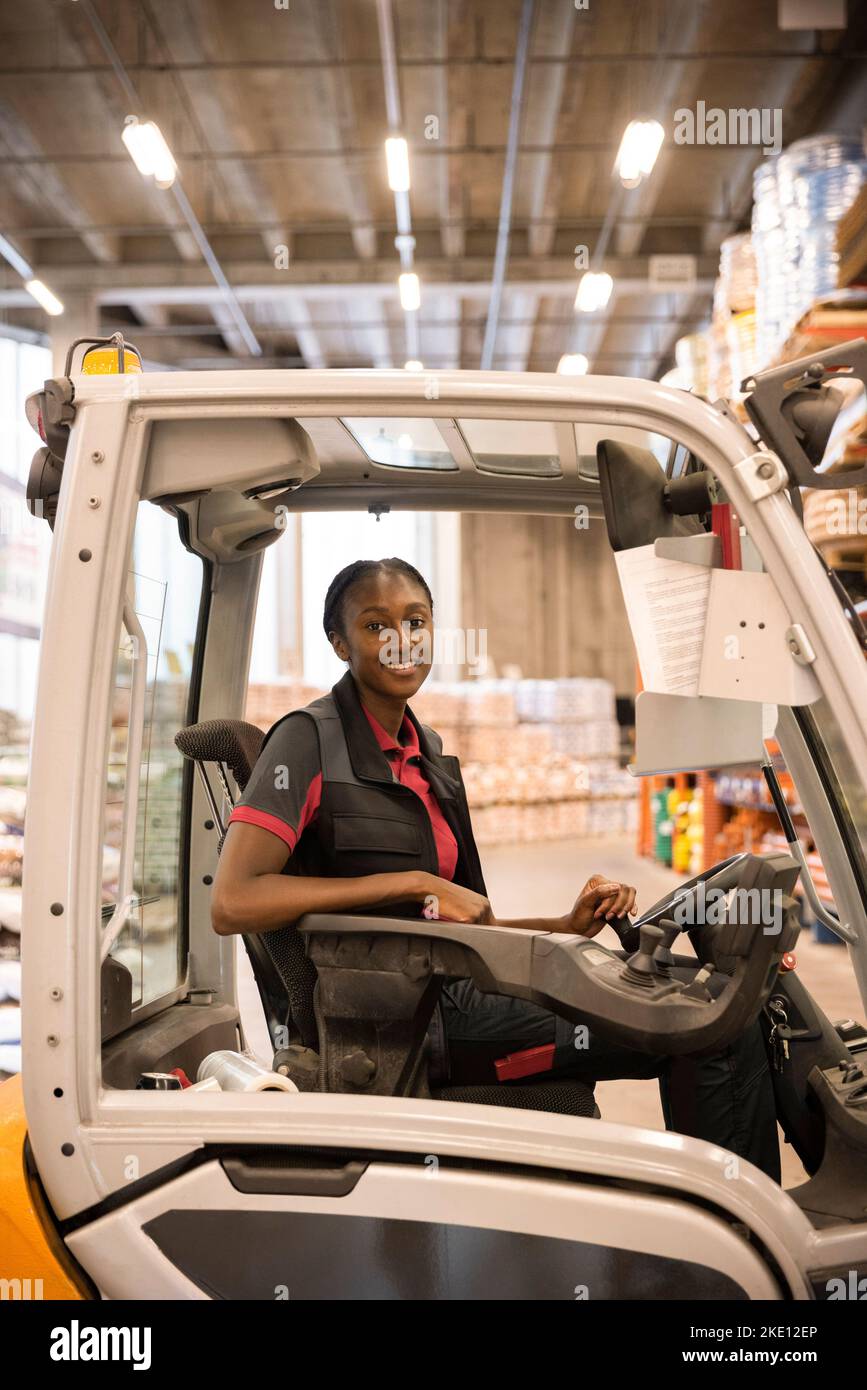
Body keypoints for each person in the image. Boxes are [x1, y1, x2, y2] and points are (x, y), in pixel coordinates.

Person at [212, 556, 780, 1181]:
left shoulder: (425, 753)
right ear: (340, 642)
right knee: (709, 1027)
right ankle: (747, 1243)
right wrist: (414, 882)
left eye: (416, 620)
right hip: (407, 1021)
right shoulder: (306, 740)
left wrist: (564, 922)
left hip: (455, 987)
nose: (401, 640)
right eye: (376, 626)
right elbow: (234, 901)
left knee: (713, 992)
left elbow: (463, 924)